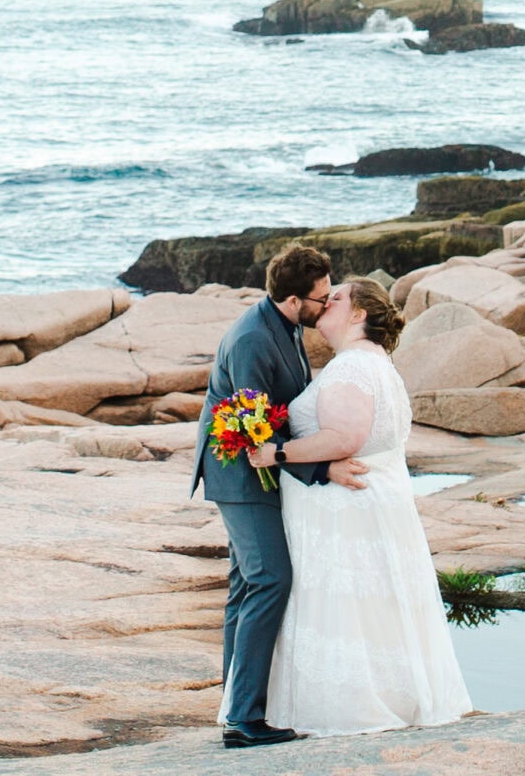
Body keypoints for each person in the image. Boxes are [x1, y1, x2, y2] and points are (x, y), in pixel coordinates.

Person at [252, 277, 472, 736]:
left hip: (346, 512)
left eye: (336, 299)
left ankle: (348, 707)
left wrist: (277, 454)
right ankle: (395, 696)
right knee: (371, 606)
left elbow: (344, 438)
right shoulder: (376, 364)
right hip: (370, 503)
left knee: (344, 607)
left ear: (358, 315)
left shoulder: (352, 366)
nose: (324, 304)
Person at [192, 244, 366, 749]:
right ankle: (244, 719)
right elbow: (252, 434)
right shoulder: (251, 340)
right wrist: (321, 468)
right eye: (320, 297)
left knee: (247, 585)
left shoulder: (285, 324)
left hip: (259, 471)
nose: (327, 303)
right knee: (271, 578)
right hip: (240, 476)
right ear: (293, 301)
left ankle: (234, 707)